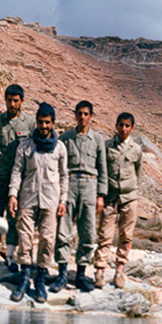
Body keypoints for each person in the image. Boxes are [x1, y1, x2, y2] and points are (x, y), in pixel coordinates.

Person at [8, 102, 68, 302]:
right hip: (28, 197)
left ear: (53, 123)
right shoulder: (25, 146)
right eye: (41, 122)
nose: (43, 126)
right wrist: (13, 195)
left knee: (48, 239)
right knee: (24, 237)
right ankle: (25, 278)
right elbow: (17, 171)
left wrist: (63, 200)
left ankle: (40, 280)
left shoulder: (60, 148)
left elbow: (64, 176)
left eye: (47, 123)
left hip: (51, 200)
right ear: (37, 122)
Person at [50, 101, 108, 293]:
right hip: (70, 184)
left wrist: (101, 195)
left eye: (86, 114)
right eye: (79, 113)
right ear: (75, 115)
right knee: (63, 230)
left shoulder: (97, 139)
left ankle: (81, 274)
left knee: (88, 231)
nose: (82, 117)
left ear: (91, 116)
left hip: (90, 186)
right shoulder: (66, 137)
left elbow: (103, 168)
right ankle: (62, 274)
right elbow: (59, 166)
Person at [0, 84, 36, 273]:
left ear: (22, 101)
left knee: (14, 217)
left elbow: (35, 149)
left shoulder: (29, 123)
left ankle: (11, 256)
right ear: (5, 100)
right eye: (9, 100)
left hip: (20, 179)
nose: (12, 104)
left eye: (16, 101)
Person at [93, 113, 143, 289]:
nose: (123, 129)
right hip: (110, 197)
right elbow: (101, 170)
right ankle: (99, 270)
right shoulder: (106, 147)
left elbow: (138, 173)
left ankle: (120, 271)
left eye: (127, 126)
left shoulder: (136, 150)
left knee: (126, 235)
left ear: (132, 128)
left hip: (129, 197)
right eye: (121, 125)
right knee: (105, 234)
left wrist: (133, 191)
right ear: (116, 126)